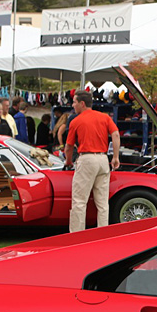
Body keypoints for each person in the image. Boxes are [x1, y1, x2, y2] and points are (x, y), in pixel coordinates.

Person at [65, 91, 119, 232]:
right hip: (103, 159)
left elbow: (69, 146)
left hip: (87, 158)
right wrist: (115, 156)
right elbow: (116, 134)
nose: (73, 105)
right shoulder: (104, 117)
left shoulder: (76, 121)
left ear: (82, 104)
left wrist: (68, 161)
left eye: (75, 102)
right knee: (102, 202)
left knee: (79, 201)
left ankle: (77, 235)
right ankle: (102, 233)